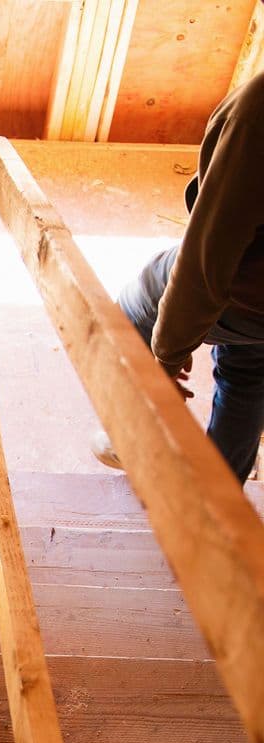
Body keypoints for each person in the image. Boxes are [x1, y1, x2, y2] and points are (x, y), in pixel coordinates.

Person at [94, 71, 264, 485]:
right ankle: (221, 507)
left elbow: (208, 257)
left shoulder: (259, 109)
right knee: (249, 370)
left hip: (245, 290)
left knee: (132, 309)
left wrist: (168, 355)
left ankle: (134, 437)